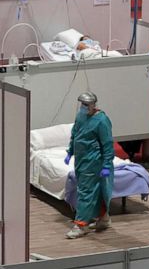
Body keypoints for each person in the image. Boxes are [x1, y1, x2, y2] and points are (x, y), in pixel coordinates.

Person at [64, 91, 114, 239]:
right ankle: (103, 218)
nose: (83, 107)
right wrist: (70, 151)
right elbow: (75, 134)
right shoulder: (80, 116)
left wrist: (106, 165)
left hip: (93, 162)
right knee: (96, 192)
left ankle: (81, 225)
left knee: (85, 193)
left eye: (86, 105)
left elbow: (107, 144)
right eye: (82, 104)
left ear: (93, 105)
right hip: (81, 160)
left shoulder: (102, 120)